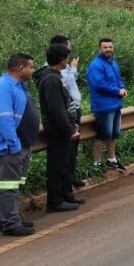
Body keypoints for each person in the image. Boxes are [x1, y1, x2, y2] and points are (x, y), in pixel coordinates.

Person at [0, 53, 40, 236]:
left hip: (21, 145)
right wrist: (14, 145)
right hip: (8, 148)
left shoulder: (18, 86)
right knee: (8, 187)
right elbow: (3, 119)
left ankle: (9, 218)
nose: (33, 70)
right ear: (21, 68)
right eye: (31, 67)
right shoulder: (2, 88)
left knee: (14, 186)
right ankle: (10, 224)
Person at [35, 44, 81, 213]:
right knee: (56, 165)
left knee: (64, 163)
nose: (67, 61)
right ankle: (54, 201)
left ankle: (64, 195)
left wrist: (72, 123)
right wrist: (69, 129)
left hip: (63, 127)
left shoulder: (55, 76)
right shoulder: (50, 79)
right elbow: (56, 109)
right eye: (66, 58)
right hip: (57, 129)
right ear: (61, 60)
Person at [87, 38, 128, 172]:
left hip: (116, 104)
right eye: (105, 47)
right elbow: (99, 85)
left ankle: (112, 159)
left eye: (110, 47)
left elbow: (118, 79)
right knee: (102, 135)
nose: (108, 49)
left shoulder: (113, 63)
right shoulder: (96, 65)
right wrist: (117, 91)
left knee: (113, 134)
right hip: (103, 106)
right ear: (100, 49)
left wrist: (122, 88)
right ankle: (97, 163)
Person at [49, 36, 85, 188]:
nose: (70, 48)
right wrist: (74, 67)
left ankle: (71, 176)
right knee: (67, 150)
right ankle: (65, 184)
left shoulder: (61, 66)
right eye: (68, 46)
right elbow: (69, 83)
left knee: (73, 148)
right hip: (67, 112)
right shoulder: (53, 69)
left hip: (74, 108)